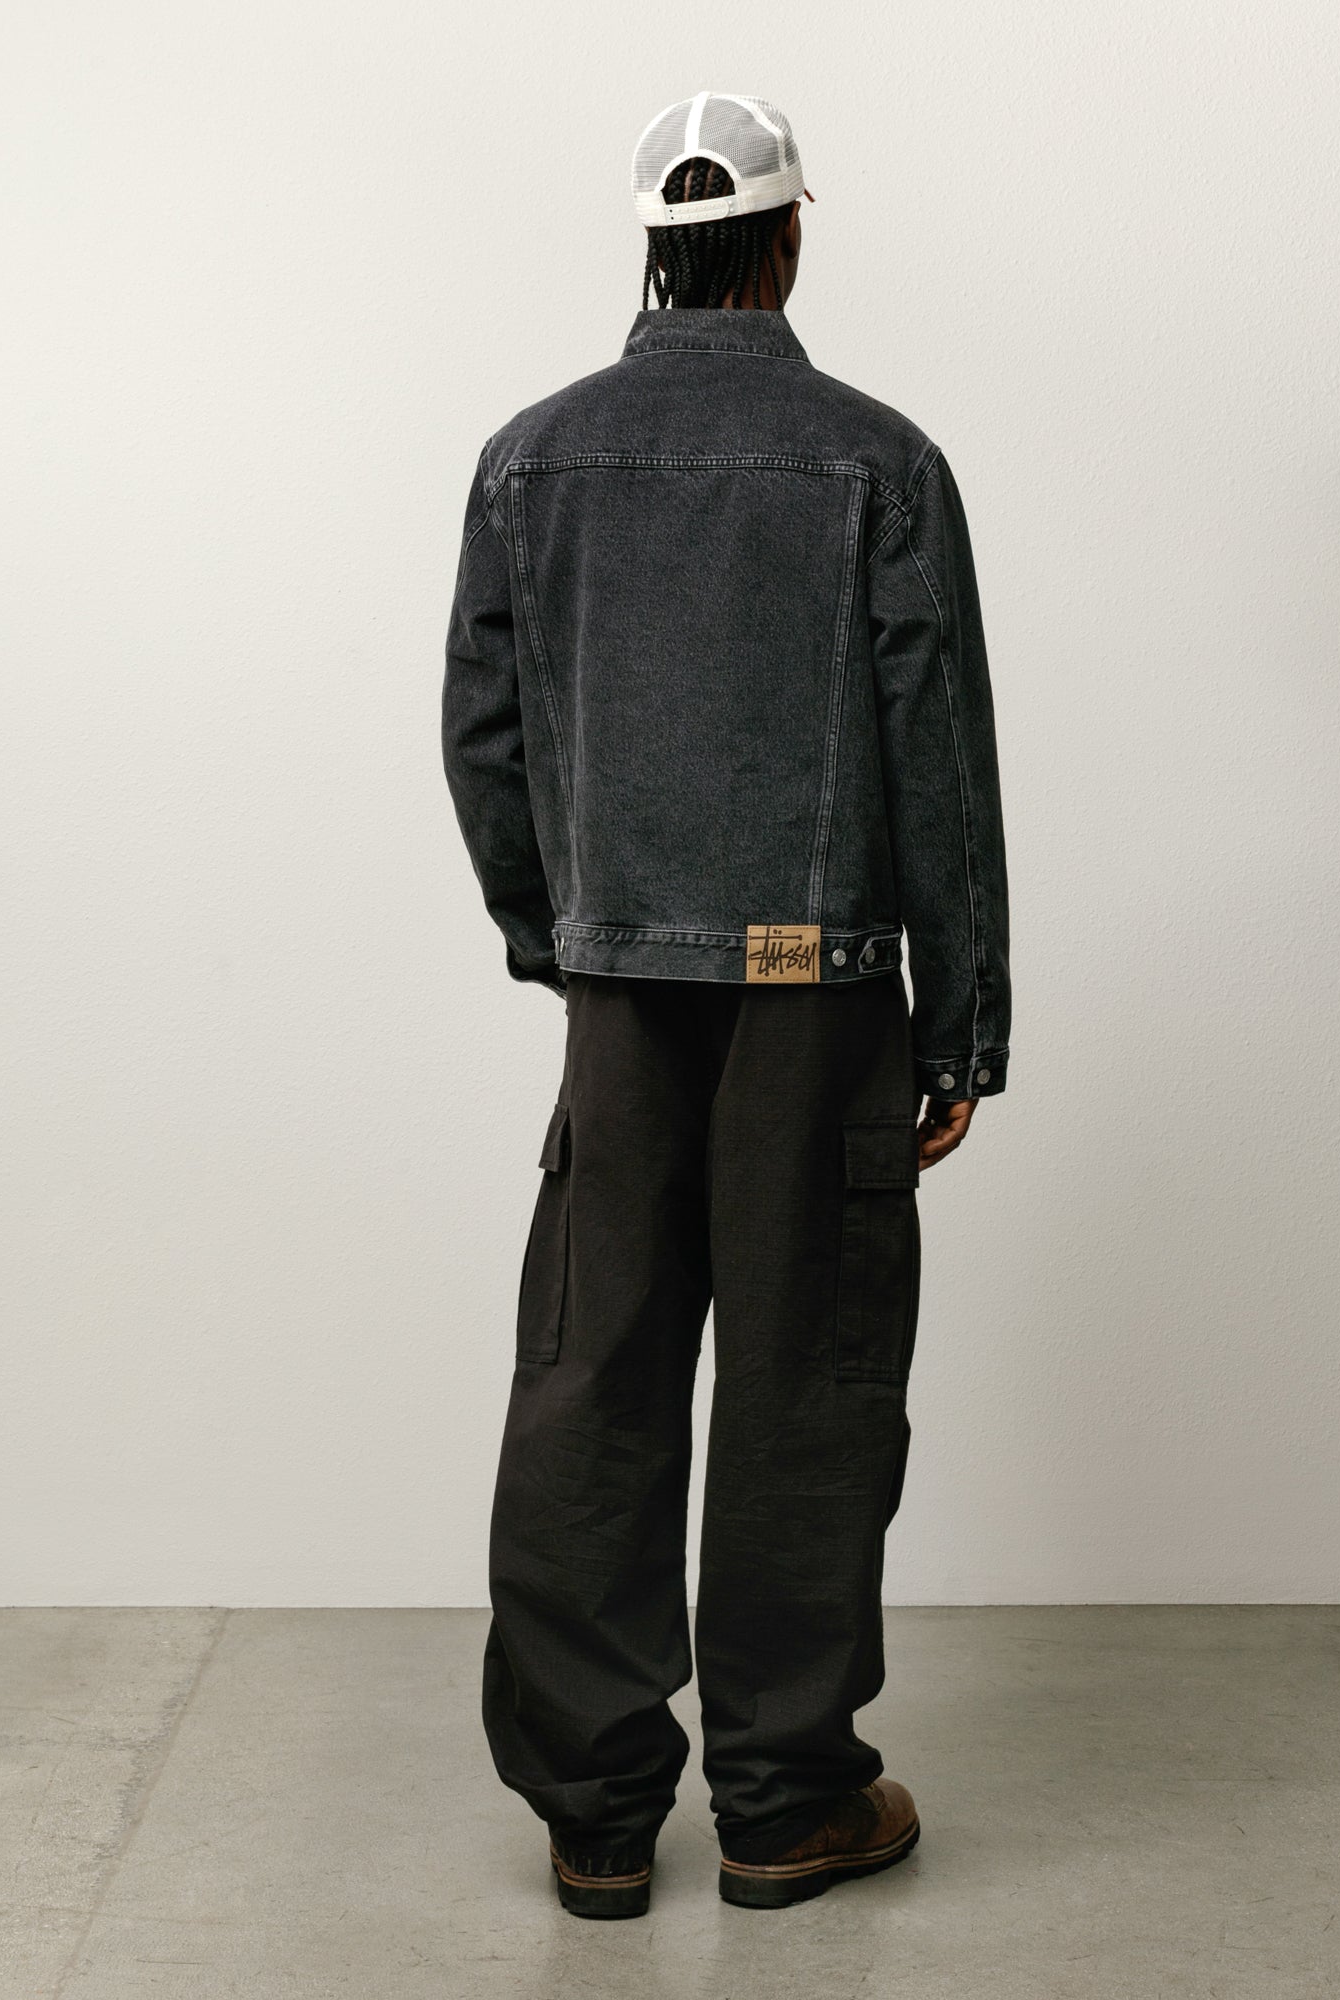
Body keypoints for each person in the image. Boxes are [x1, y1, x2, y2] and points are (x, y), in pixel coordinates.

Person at [441, 91, 1009, 1919]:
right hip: (819, 998)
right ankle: (783, 1804)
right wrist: (962, 1023)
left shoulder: (530, 460)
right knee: (807, 1386)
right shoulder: (880, 463)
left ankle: (598, 1818)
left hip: (623, 994)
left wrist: (569, 940)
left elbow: (485, 740)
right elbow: (939, 762)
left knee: (592, 1374)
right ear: (788, 238)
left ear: (653, 247)